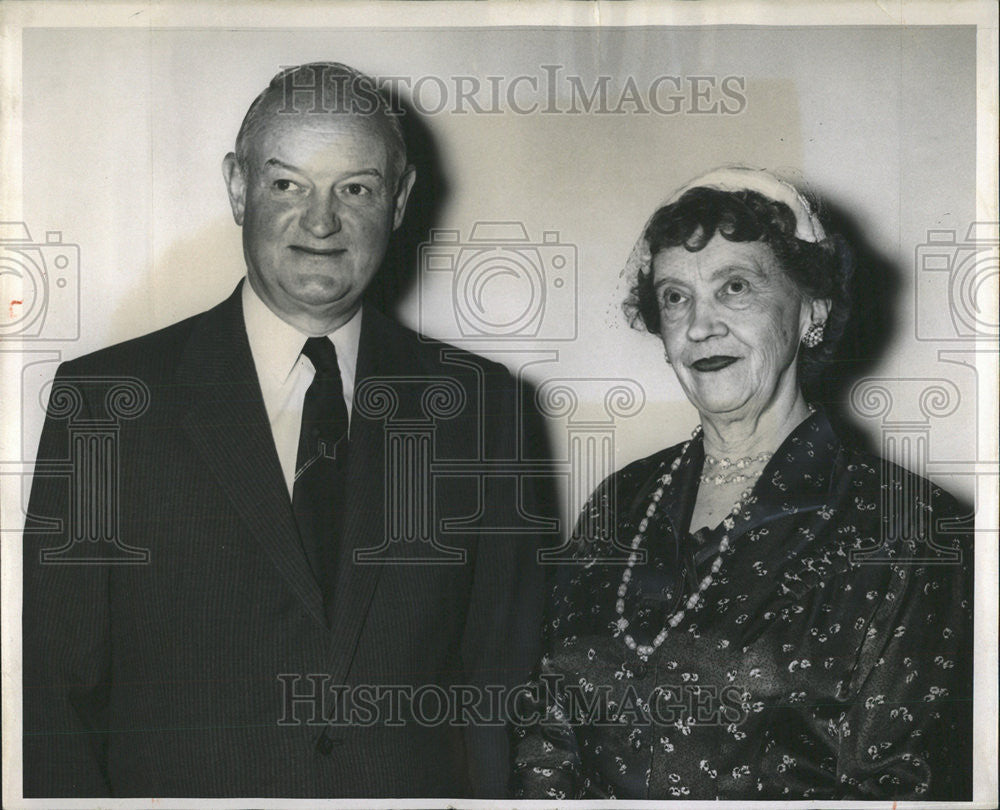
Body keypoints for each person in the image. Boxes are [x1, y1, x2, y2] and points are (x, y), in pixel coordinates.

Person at [23, 62, 546, 798]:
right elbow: (51, 704)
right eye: (287, 184)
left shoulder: (488, 412)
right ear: (238, 186)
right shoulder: (105, 404)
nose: (321, 221)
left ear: (399, 201)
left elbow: (501, 694)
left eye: (355, 188)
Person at [512, 167, 973, 800]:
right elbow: (548, 731)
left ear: (812, 309)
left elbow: (896, 784)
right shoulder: (620, 502)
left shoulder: (908, 527)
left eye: (735, 287)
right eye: (675, 297)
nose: (700, 325)